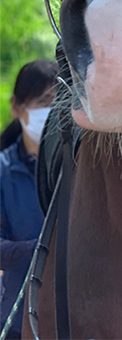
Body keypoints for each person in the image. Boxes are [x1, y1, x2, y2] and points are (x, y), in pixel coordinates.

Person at [1, 59, 57, 340]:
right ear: (17, 108)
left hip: (71, 320)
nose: (52, 113)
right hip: (16, 321)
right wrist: (40, 249)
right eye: (44, 102)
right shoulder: (2, 171)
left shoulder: (79, 169)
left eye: (59, 104)